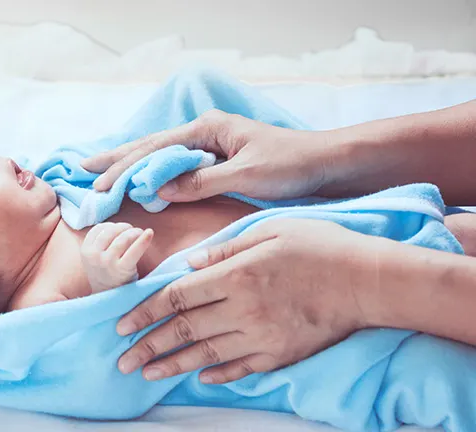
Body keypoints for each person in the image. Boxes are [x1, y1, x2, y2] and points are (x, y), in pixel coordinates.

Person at [80, 100, 476, 385]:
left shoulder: (67, 185)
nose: (17, 162)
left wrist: (359, 284)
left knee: (457, 235)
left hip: (332, 252)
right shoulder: (38, 301)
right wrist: (323, 159)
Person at [0, 151, 264, 332]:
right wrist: (108, 286)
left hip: (258, 190)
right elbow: (99, 347)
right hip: (264, 254)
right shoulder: (37, 302)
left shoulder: (58, 189)